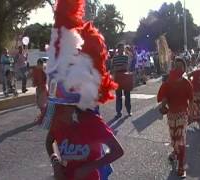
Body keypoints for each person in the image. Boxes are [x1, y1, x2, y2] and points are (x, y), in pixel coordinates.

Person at [42, 0, 124, 179]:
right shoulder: (58, 121)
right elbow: (49, 141)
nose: (59, 111)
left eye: (62, 106)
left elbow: (118, 150)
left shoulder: (91, 121)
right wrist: (55, 162)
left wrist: (89, 168)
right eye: (58, 106)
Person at [157, 57, 193, 178]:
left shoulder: (186, 83)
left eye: (180, 66)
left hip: (182, 115)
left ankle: (181, 166)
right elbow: (164, 97)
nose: (178, 68)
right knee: (174, 139)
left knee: (181, 140)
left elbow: (191, 99)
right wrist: (162, 105)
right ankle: (174, 152)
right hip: (171, 116)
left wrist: (192, 113)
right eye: (176, 66)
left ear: (184, 68)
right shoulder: (168, 83)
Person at [112, 43, 132, 118]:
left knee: (127, 94)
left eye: (123, 48)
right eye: (121, 48)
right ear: (118, 49)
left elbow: (126, 66)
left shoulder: (126, 57)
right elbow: (113, 68)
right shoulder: (115, 58)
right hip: (117, 76)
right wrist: (120, 68)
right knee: (118, 95)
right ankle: (118, 112)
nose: (122, 49)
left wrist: (118, 68)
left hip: (124, 76)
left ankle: (129, 110)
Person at [32, 59, 47, 124]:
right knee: (40, 104)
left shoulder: (43, 71)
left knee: (41, 104)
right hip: (39, 88)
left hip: (42, 88)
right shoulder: (36, 70)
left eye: (41, 64)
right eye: (39, 64)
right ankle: (43, 116)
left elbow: (46, 79)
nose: (40, 65)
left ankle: (43, 117)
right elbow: (34, 79)